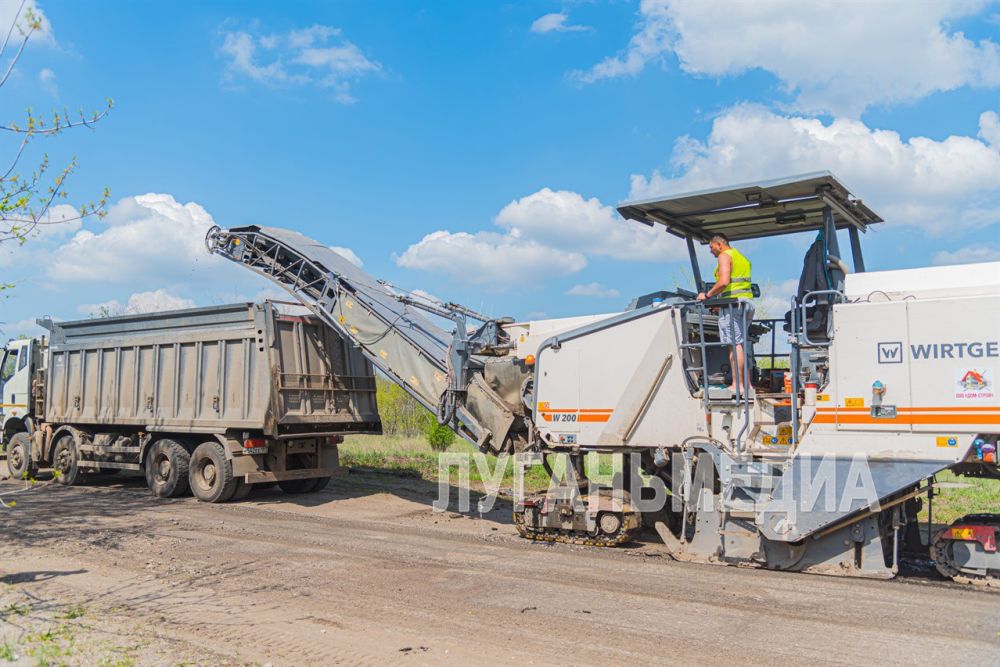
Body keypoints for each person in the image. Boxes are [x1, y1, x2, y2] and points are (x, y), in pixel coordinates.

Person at [696, 233, 755, 395]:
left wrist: (707, 296)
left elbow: (723, 282)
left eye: (711, 247)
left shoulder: (724, 256)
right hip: (746, 303)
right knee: (742, 344)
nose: (710, 251)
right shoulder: (740, 257)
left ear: (720, 245)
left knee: (734, 344)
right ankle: (748, 384)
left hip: (733, 306)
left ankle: (738, 385)